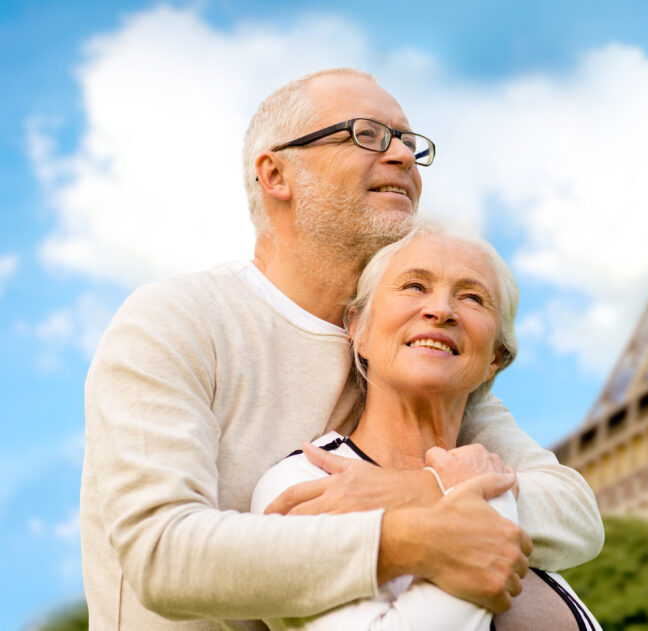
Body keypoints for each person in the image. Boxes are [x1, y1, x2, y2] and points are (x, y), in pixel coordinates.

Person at [80, 68, 602, 629]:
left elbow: (573, 513)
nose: (402, 154)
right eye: (367, 134)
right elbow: (163, 555)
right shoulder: (178, 319)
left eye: (408, 141)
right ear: (276, 173)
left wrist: (420, 490)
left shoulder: (412, 357)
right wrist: (408, 537)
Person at [250, 220, 600, 630]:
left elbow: (583, 520)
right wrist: (483, 498)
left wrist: (441, 489)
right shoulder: (304, 480)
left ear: (495, 359)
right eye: (414, 286)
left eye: (472, 297)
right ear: (357, 328)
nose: (441, 310)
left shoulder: (500, 481)